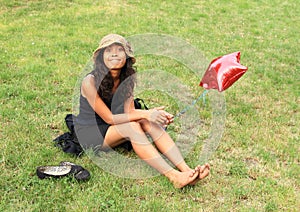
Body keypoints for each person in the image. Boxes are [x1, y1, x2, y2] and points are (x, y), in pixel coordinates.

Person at [74, 34, 210, 188]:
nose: (114, 53)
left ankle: (187, 171)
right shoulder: (89, 81)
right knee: (133, 127)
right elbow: (109, 119)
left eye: (119, 50)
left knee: (146, 122)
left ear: (127, 56)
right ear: (101, 57)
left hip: (114, 126)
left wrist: (150, 115)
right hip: (92, 131)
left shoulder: (127, 77)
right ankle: (173, 176)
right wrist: (147, 113)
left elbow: (130, 111)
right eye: (108, 50)